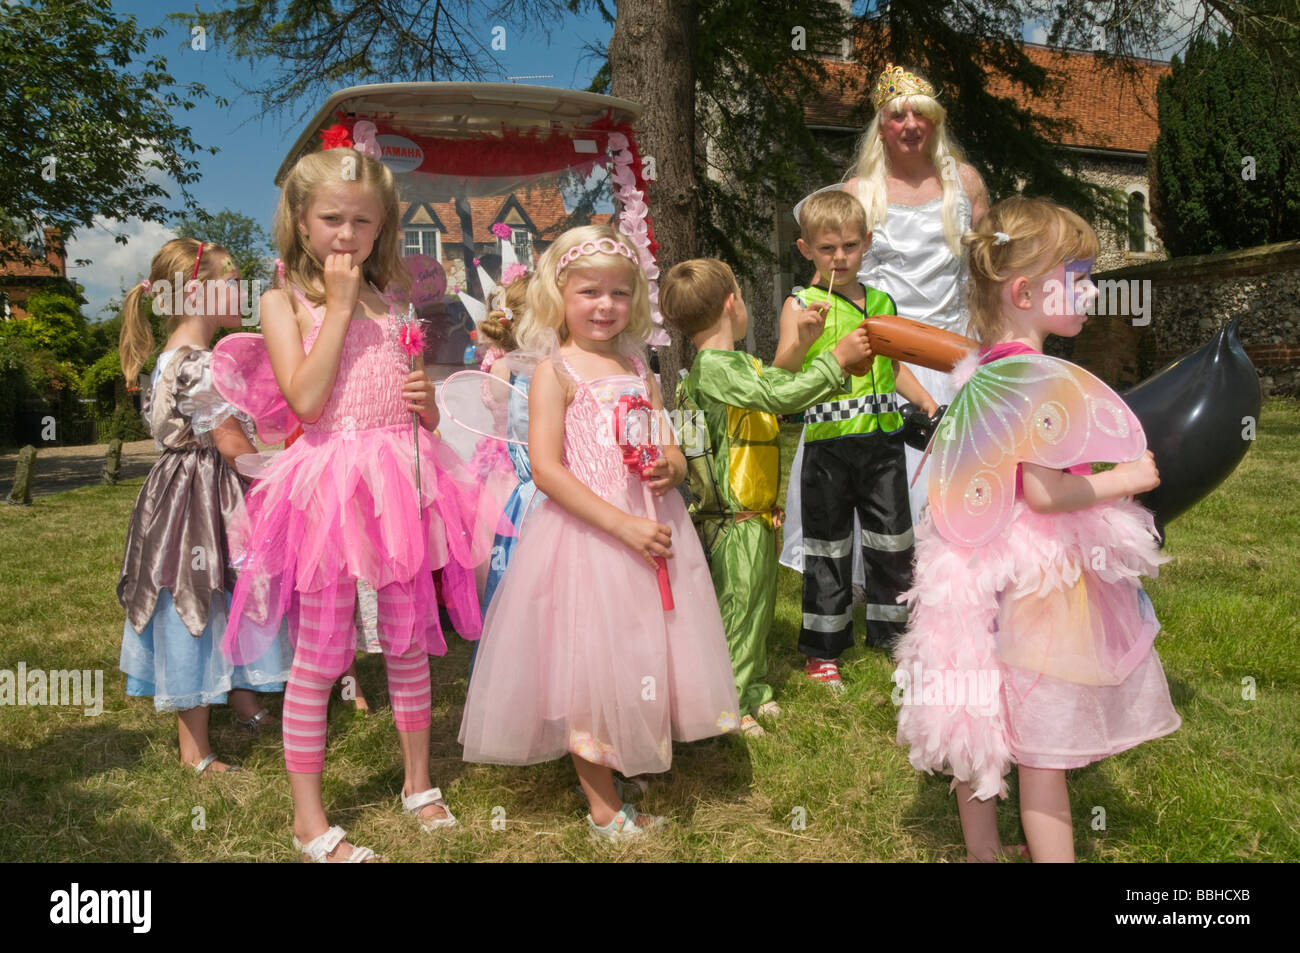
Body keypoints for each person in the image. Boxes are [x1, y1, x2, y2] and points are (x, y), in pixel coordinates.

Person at [216, 140, 503, 861]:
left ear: (384, 227)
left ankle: (417, 782)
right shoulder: (283, 300)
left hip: (401, 484)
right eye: (332, 219)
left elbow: (407, 400)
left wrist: (427, 404)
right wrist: (338, 306)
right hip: (327, 495)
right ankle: (308, 820)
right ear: (301, 221)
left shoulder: (395, 300)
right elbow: (307, 403)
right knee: (321, 653)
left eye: (363, 222)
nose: (347, 235)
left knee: (408, 644)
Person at [893, 196, 1180, 862]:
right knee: (1043, 751)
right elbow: (1048, 493)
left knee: (980, 719)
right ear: (1025, 290)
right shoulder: (1036, 379)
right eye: (1076, 274)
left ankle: (983, 853)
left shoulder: (983, 368)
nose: (1090, 288)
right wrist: (1126, 477)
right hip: (1035, 579)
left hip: (982, 575)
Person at [459, 225, 740, 842]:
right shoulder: (553, 372)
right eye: (590, 292)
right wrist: (620, 524)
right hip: (591, 534)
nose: (605, 305)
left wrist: (674, 462)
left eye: (618, 293)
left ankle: (624, 752)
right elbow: (549, 469)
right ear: (559, 294)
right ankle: (602, 805)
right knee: (589, 661)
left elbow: (669, 438)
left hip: (652, 528)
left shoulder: (639, 365)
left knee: (643, 648)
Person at [662, 257, 873, 735]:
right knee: (738, 614)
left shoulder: (730, 366)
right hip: (732, 521)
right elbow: (781, 398)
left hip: (752, 517)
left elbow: (775, 385)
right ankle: (731, 705)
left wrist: (804, 343)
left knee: (754, 611)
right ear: (732, 304)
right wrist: (834, 360)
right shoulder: (716, 368)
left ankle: (752, 688)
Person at [117, 238, 289, 775]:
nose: (241, 288)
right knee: (197, 599)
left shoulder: (169, 357)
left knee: (224, 593)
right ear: (197, 292)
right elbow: (233, 446)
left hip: (178, 490)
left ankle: (243, 702)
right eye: (231, 280)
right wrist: (282, 477)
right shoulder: (203, 366)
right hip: (203, 496)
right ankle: (195, 749)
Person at [773, 190, 937, 690]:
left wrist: (927, 402)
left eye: (849, 246)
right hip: (828, 449)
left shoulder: (883, 302)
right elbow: (781, 375)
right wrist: (802, 337)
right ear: (805, 250)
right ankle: (823, 650)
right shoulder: (800, 304)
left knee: (893, 542)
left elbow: (895, 366)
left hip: (884, 447)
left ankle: (894, 639)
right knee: (829, 547)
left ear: (867, 243)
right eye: (826, 249)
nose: (839, 258)